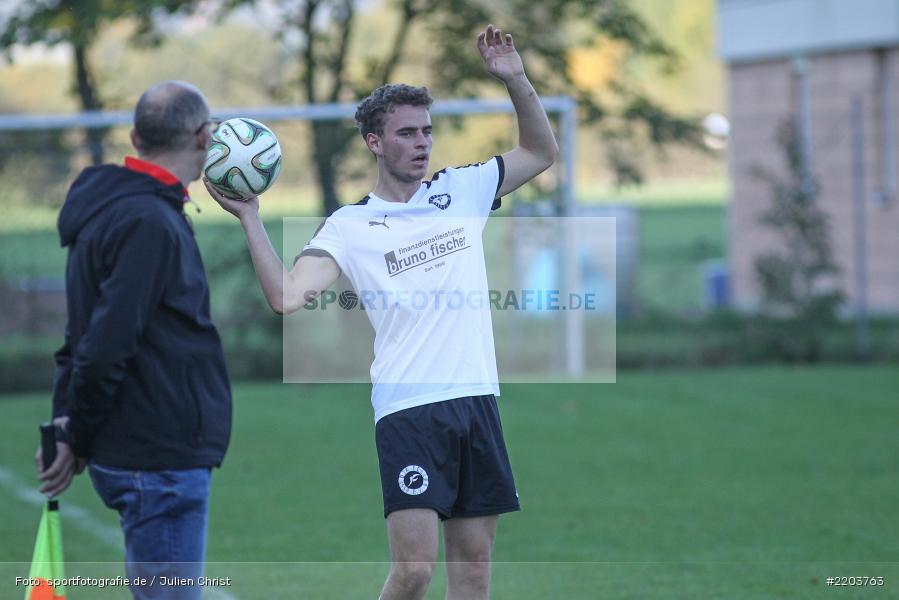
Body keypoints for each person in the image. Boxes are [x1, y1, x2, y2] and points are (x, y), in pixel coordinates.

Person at [206, 24, 557, 600]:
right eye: (406, 133)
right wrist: (251, 219)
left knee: (474, 569)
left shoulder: (462, 191)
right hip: (409, 409)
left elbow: (542, 152)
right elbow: (286, 296)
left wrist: (515, 79)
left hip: (476, 401)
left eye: (426, 131)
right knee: (415, 571)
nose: (422, 143)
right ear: (374, 142)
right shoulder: (349, 226)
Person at [37, 80, 232, 600]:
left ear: (135, 137)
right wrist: (74, 434)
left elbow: (81, 334)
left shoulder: (111, 208)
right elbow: (104, 345)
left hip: (144, 452)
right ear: (202, 136)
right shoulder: (148, 220)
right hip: (157, 458)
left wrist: (67, 424)